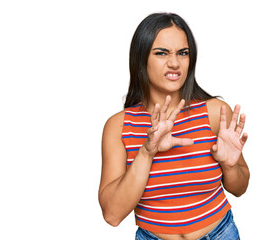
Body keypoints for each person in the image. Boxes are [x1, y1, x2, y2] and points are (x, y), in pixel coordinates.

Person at [98, 12, 249, 240]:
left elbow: (240, 187)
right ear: (141, 58)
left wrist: (229, 167)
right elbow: (112, 215)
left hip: (220, 234)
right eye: (161, 53)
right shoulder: (118, 126)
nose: (175, 63)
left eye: (183, 53)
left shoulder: (215, 112)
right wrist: (147, 152)